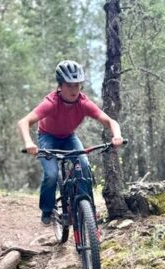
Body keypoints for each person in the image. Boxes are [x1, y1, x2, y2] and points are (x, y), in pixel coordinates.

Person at [18, 60, 124, 225]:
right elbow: (24, 122)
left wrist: (116, 136)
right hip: (48, 137)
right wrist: (28, 142)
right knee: (52, 174)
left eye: (77, 85)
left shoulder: (83, 103)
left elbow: (110, 121)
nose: (74, 90)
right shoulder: (51, 103)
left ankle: (87, 211)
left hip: (68, 137)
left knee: (83, 166)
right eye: (69, 85)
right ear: (60, 86)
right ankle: (47, 210)